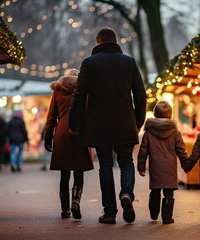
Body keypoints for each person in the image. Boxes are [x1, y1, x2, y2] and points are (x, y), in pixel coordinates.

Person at [69, 27, 147, 224]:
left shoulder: (89, 63)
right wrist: (138, 121)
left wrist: (74, 123)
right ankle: (127, 193)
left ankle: (110, 211)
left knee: (105, 165)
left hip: (99, 123)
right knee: (126, 161)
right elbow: (140, 94)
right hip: (125, 122)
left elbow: (79, 96)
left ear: (98, 43)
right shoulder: (128, 62)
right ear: (115, 41)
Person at [44, 69, 94, 219]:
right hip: (80, 133)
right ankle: (75, 201)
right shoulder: (84, 91)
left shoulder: (57, 92)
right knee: (79, 171)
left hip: (61, 135)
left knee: (64, 173)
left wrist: (48, 137)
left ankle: (65, 209)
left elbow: (51, 117)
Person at [137, 101, 188, 224]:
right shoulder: (175, 133)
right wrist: (186, 164)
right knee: (169, 192)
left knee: (155, 190)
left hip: (155, 167)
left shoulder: (148, 133)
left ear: (155, 114)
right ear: (170, 116)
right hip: (170, 168)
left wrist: (141, 167)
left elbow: (143, 151)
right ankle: (167, 217)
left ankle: (154, 213)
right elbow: (181, 150)